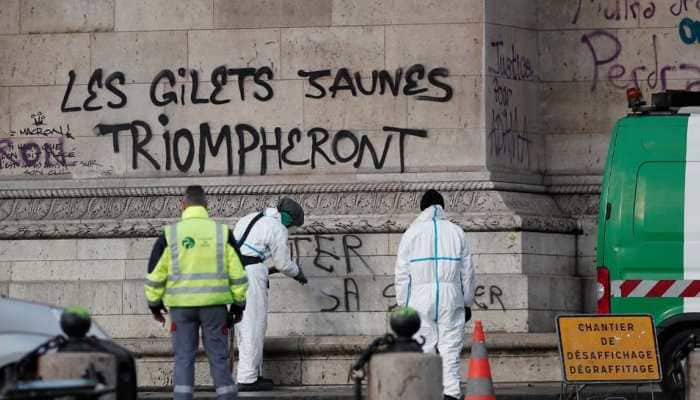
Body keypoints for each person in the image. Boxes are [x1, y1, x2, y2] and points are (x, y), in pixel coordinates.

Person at [145, 185, 248, 400]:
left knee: (183, 357)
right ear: (206, 206)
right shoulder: (222, 233)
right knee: (219, 357)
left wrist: (154, 304)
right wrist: (239, 305)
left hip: (181, 309)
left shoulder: (170, 235)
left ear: (182, 206)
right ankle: (227, 397)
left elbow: (155, 274)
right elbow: (238, 273)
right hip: (215, 308)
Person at [394, 189, 475, 400]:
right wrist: (467, 302)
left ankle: (428, 394)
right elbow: (468, 273)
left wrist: (403, 304)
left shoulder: (412, 232)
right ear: (442, 207)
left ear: (422, 208)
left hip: (419, 298)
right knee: (450, 349)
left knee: (425, 348)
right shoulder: (456, 232)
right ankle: (451, 393)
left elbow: (402, 274)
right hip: (451, 296)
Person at [234, 197, 308, 391]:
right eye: (294, 227)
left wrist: (267, 269)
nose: (292, 231)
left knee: (242, 325)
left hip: (234, 272)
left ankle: (249, 374)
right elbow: (284, 263)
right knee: (254, 323)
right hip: (250, 276)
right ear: (289, 220)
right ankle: (248, 378)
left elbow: (247, 250)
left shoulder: (250, 218)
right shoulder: (278, 228)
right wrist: (298, 273)